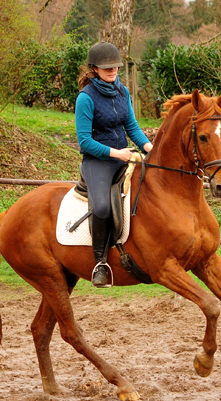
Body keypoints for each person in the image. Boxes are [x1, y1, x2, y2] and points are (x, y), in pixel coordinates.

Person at [75, 41, 153, 287]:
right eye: (107, 68)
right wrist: (115, 153)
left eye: (116, 67)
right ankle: (100, 263)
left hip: (125, 155)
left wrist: (149, 147)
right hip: (97, 162)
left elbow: (131, 127)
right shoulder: (85, 98)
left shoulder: (122, 92)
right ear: (94, 68)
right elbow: (85, 141)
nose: (113, 71)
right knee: (101, 207)